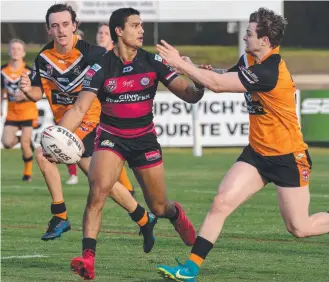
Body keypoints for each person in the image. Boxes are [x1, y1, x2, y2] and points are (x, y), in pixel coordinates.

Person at [155, 7, 329, 281]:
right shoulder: (249, 59)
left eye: (249, 33)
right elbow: (221, 77)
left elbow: (220, 85)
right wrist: (196, 69)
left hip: (287, 158)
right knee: (221, 201)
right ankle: (190, 269)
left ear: (265, 40)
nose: (244, 37)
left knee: (299, 227)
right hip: (257, 154)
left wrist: (182, 65)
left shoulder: (271, 71)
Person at [56, 7, 208, 280]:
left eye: (141, 25)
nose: (141, 30)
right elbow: (79, 110)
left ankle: (175, 215)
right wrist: (58, 137)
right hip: (112, 138)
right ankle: (88, 259)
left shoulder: (152, 61)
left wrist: (198, 81)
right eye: (135, 26)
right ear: (119, 31)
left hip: (144, 139)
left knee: (158, 207)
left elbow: (189, 95)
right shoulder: (100, 66)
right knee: (97, 192)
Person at [19, 4, 156, 255]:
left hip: (92, 121)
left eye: (65, 24)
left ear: (75, 25)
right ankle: (144, 220)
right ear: (48, 29)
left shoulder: (93, 54)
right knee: (104, 183)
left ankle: (59, 215)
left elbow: (120, 73)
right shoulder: (43, 58)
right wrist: (28, 89)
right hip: (68, 125)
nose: (60, 30)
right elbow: (39, 92)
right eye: (54, 25)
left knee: (43, 153)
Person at [95, 22, 137, 196]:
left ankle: (127, 189)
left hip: (116, 110)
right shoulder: (95, 56)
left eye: (105, 32)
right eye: (99, 32)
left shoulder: (119, 55)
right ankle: (127, 189)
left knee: (111, 150)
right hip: (96, 108)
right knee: (107, 151)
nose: (102, 35)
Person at [1, 39, 38, 182]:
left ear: (23, 52)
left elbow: (36, 91)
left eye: (18, 49)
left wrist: (24, 95)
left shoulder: (29, 71)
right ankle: (28, 142)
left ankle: (27, 174)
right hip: (12, 113)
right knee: (6, 142)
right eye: (13, 48)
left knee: (24, 143)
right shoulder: (3, 71)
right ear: (9, 51)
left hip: (28, 112)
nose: (15, 51)